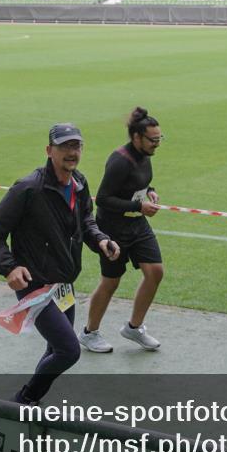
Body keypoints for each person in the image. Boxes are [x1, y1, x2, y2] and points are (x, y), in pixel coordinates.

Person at [0, 123, 120, 404]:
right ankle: (23, 401)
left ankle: (30, 401)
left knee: (56, 347)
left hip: (63, 284)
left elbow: (86, 221)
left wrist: (101, 240)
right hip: (35, 286)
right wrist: (9, 267)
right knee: (69, 351)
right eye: (65, 146)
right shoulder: (28, 189)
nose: (72, 152)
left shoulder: (78, 184)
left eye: (76, 146)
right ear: (49, 150)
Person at [79, 107, 164, 353]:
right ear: (137, 137)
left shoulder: (145, 155)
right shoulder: (119, 161)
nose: (157, 144)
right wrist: (139, 205)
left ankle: (134, 328)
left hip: (137, 224)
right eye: (153, 140)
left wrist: (150, 191)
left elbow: (138, 182)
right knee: (111, 282)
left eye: (159, 139)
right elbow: (103, 199)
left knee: (155, 271)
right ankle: (89, 333)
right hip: (113, 228)